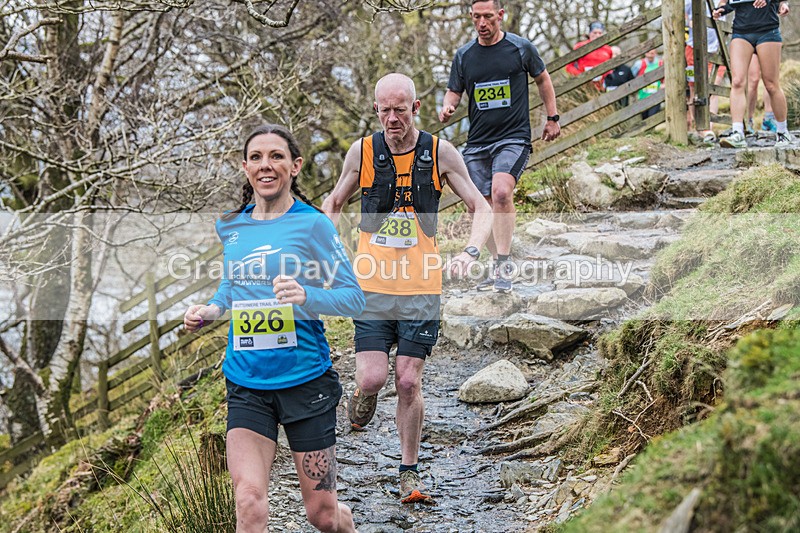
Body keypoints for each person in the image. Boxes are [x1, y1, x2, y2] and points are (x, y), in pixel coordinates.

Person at [183, 124, 365, 532]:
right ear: (245, 166)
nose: (267, 165)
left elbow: (354, 297)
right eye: (257, 157)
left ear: (295, 166)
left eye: (277, 156)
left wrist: (307, 296)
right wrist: (210, 310)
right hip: (246, 382)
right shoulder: (231, 226)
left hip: (306, 381)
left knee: (323, 517)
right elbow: (232, 285)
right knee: (248, 500)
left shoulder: (313, 224)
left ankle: (345, 523)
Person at [322, 73, 492, 503]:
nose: (393, 118)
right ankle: (362, 394)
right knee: (374, 376)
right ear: (375, 109)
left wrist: (470, 251)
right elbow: (334, 203)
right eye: (385, 110)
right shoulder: (361, 152)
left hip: (421, 287)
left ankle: (408, 471)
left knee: (408, 381)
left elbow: (481, 206)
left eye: (401, 109)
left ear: (416, 108)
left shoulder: (439, 152)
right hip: (373, 288)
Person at [439, 0, 560, 293]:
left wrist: (552, 117)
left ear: (500, 16)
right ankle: (497, 264)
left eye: (488, 17)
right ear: (471, 17)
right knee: (478, 205)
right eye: (477, 17)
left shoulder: (520, 48)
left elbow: (543, 78)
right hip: (478, 142)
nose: (482, 23)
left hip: (513, 137)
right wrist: (448, 107)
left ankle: (505, 264)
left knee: (502, 192)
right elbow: (454, 91)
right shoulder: (464, 55)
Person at [715, 0, 794, 148]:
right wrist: (721, 10)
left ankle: (783, 132)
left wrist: (780, 4)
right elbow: (731, 2)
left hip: (767, 30)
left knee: (771, 84)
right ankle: (738, 132)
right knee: (737, 81)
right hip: (741, 31)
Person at [565, 20, 614, 90]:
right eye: (595, 33)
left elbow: (610, 66)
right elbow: (569, 66)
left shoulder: (608, 49)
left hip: (602, 86)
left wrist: (608, 75)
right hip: (584, 85)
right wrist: (581, 76)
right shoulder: (580, 46)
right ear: (590, 33)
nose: (597, 35)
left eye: (600, 33)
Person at [747, 55, 777, 133]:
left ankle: (769, 118)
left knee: (770, 79)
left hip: (769, 44)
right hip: (750, 45)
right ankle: (748, 120)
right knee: (753, 79)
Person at [632, 49, 664, 119]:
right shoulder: (639, 64)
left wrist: (663, 84)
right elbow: (631, 77)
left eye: (652, 53)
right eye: (648, 53)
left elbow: (665, 77)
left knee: (653, 115)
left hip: (656, 95)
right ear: (645, 53)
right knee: (644, 117)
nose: (650, 55)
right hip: (643, 95)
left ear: (655, 53)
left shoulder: (660, 63)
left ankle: (654, 129)